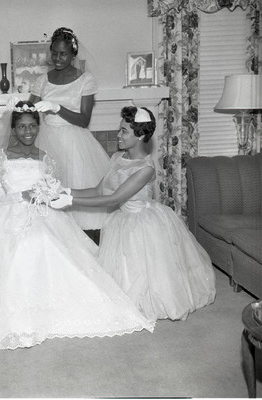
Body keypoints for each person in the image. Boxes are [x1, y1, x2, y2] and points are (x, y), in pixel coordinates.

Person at [0, 101, 154, 350]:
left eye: (32, 126)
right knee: (16, 248)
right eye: (21, 127)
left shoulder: (46, 158)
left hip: (42, 213)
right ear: (13, 129)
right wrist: (22, 196)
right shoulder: (1, 157)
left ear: (39, 127)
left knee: (49, 244)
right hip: (8, 212)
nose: (27, 132)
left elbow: (55, 189)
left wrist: (52, 195)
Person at [51, 106, 216, 321]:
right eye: (119, 129)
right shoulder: (116, 157)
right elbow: (98, 191)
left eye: (124, 131)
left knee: (148, 280)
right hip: (121, 221)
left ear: (140, 136)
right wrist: (64, 190)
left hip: (143, 223)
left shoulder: (146, 168)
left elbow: (115, 199)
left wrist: (70, 201)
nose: (118, 135)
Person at [20, 27, 110, 234]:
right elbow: (28, 111)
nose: (57, 58)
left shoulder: (85, 79)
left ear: (73, 54)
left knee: (73, 202)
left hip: (74, 142)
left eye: (63, 54)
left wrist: (57, 108)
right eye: (54, 53)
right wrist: (18, 105)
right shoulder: (42, 80)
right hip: (47, 140)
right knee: (46, 201)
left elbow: (84, 120)